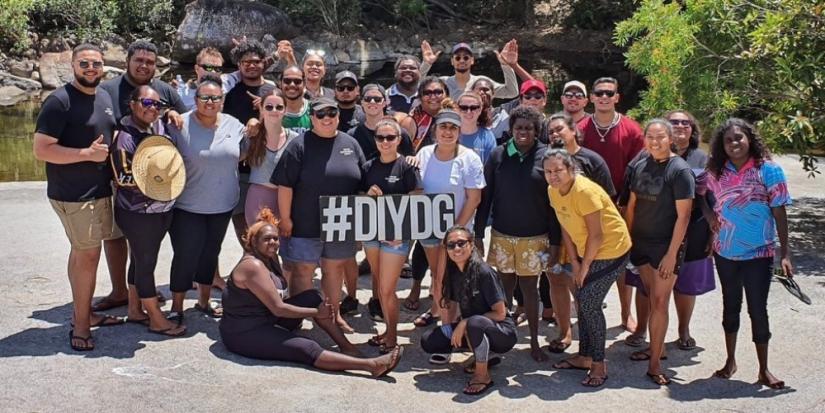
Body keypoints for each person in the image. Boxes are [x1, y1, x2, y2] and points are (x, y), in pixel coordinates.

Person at [220, 208, 403, 376]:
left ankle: (347, 347)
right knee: (308, 347)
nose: (273, 243)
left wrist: (316, 307)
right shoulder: (252, 266)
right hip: (244, 333)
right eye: (267, 239)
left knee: (312, 297)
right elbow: (278, 308)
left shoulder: (269, 257)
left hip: (266, 318)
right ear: (253, 241)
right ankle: (372, 366)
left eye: (276, 238)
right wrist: (316, 312)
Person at [32, 43, 127, 351]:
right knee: (87, 255)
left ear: (104, 68)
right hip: (74, 195)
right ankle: (81, 327)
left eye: (96, 64)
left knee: (83, 253)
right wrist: (86, 154)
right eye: (84, 63)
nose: (91, 68)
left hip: (102, 190)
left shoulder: (104, 97)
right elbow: (41, 149)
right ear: (72, 66)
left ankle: (85, 314)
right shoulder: (59, 101)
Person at [96, 39, 186, 311]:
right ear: (128, 62)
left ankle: (138, 296)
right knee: (115, 237)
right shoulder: (106, 90)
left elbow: (185, 119)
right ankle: (119, 291)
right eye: (139, 60)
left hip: (154, 181)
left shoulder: (165, 91)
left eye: (150, 62)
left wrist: (169, 110)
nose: (145, 65)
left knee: (144, 248)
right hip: (113, 175)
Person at [706, 118, 792, 390]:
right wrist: (709, 216)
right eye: (728, 140)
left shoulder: (769, 170)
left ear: (750, 139)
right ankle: (730, 361)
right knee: (730, 306)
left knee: (758, 309)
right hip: (725, 252)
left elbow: (780, 211)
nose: (734, 143)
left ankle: (764, 369)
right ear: (722, 145)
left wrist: (785, 254)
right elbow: (697, 193)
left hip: (759, 253)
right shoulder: (715, 171)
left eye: (739, 138)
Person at [272, 96, 366, 339]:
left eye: (332, 113)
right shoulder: (298, 145)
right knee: (303, 270)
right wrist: (286, 218)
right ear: (312, 118)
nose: (327, 118)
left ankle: (332, 316)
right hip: (305, 221)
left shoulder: (351, 143)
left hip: (342, 222)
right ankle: (298, 316)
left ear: (338, 116)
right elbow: (285, 185)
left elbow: (363, 182)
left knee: (333, 271)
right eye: (321, 114)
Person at [627, 110, 716, 356]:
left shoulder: (701, 158)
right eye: (674, 121)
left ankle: (683, 331)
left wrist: (712, 229)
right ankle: (642, 332)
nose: (679, 125)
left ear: (692, 128)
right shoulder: (644, 158)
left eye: (685, 122)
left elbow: (711, 196)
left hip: (694, 228)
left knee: (685, 285)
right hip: (652, 233)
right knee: (647, 288)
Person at [474, 106, 557, 362]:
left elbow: (555, 204)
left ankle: (533, 340)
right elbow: (485, 197)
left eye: (529, 128)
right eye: (519, 127)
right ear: (511, 129)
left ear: (537, 131)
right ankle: (502, 337)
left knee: (530, 289)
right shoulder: (499, 154)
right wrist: (478, 233)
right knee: (504, 288)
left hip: (535, 236)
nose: (523, 132)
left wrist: (555, 242)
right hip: (502, 233)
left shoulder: (547, 157)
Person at [544, 149, 632, 387]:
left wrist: (584, 268)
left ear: (571, 170)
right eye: (548, 171)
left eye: (558, 171)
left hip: (612, 249)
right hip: (585, 251)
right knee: (583, 299)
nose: (553, 176)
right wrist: (574, 261)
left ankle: (599, 364)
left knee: (590, 303)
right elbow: (566, 228)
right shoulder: (553, 191)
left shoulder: (584, 191)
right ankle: (584, 356)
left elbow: (596, 235)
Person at [167, 74, 246, 324]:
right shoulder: (180, 124)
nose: (209, 102)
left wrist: (256, 122)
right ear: (195, 98)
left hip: (222, 204)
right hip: (187, 204)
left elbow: (245, 152)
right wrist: (168, 112)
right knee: (185, 255)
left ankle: (203, 301)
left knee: (211, 253)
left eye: (215, 98)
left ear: (223, 100)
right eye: (204, 97)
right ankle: (177, 306)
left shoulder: (235, 125)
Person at [110, 85, 187, 337]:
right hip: (137, 212)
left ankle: (134, 309)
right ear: (132, 104)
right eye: (146, 102)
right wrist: (154, 181)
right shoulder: (124, 136)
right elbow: (121, 176)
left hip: (160, 208)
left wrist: (171, 112)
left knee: (140, 258)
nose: (151, 108)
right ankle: (156, 317)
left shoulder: (158, 125)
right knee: (146, 263)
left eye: (157, 104)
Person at [623, 119, 694, 386]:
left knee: (661, 301)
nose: (655, 141)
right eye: (650, 137)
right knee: (653, 298)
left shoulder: (680, 170)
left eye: (661, 137)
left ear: (671, 139)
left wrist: (672, 254)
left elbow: (684, 216)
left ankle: (654, 364)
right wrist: (627, 240)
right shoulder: (640, 164)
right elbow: (631, 205)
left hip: (666, 246)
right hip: (641, 243)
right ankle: (658, 347)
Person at [545, 111, 616, 351]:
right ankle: (563, 332)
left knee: (581, 287)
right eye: (551, 131)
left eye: (560, 129)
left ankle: (586, 342)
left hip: (588, 237)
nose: (555, 134)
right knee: (556, 281)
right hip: (556, 233)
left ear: (573, 130)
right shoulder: (546, 160)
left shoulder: (592, 160)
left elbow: (609, 199)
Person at [578, 76, 644, 333]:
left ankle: (626, 314)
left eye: (609, 93)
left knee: (621, 262)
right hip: (587, 207)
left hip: (622, 205)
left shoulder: (632, 129)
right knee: (589, 257)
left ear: (617, 97)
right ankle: (590, 313)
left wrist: (625, 203)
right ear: (591, 97)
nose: (604, 97)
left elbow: (638, 170)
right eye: (599, 93)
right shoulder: (581, 127)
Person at [420, 226, 517, 396]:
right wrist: (453, 330)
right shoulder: (454, 271)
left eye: (461, 243)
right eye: (451, 245)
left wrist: (464, 323)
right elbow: (450, 305)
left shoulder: (484, 272)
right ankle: (484, 354)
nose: (456, 248)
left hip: (502, 332)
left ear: (471, 245)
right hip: (473, 328)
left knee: (474, 322)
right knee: (429, 340)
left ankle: (483, 375)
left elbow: (501, 313)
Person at [412, 108, 485, 332]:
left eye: (453, 127)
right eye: (443, 126)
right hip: (428, 228)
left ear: (459, 131)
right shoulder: (423, 153)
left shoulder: (469, 158)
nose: (447, 132)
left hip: (457, 233)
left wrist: (455, 232)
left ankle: (453, 325)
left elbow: (474, 199)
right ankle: (437, 311)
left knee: (453, 279)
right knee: (438, 276)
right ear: (435, 130)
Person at [361, 118, 423, 351]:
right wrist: (367, 195)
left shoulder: (407, 167)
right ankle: (388, 330)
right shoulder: (368, 167)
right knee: (379, 286)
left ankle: (393, 338)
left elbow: (417, 198)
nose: (385, 142)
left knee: (387, 289)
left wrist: (403, 231)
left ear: (399, 140)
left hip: (396, 236)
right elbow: (358, 200)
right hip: (372, 235)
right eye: (380, 137)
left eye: (390, 137)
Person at [243, 89, 299, 225]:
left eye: (279, 107)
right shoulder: (252, 135)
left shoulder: (295, 139)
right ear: (261, 109)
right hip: (258, 198)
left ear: (285, 110)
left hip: (287, 199)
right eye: (269, 107)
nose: (274, 110)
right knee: (260, 243)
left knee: (285, 245)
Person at [419, 40, 519, 100]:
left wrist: (506, 65)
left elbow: (511, 92)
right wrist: (426, 64)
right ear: (452, 61)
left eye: (466, 58)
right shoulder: (442, 82)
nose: (462, 60)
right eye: (458, 58)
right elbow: (416, 88)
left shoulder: (482, 83)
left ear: (472, 61)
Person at [348, 84, 414, 159]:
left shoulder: (400, 133)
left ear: (385, 103)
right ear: (362, 102)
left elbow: (410, 160)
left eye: (377, 99)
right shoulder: (352, 135)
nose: (372, 102)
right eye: (367, 98)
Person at [457, 92, 496, 164]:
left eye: (473, 108)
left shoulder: (487, 136)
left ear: (480, 110)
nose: (468, 112)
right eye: (464, 108)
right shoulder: (448, 133)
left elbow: (489, 168)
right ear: (457, 109)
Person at [280, 65, 312, 129]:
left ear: (304, 84)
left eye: (297, 81)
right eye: (287, 81)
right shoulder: (271, 109)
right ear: (280, 83)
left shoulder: (314, 109)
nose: (292, 84)